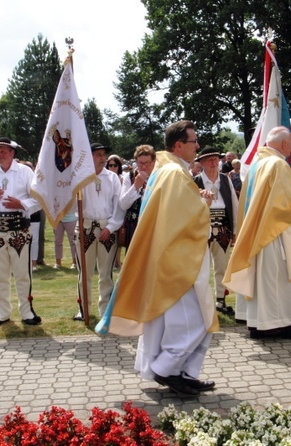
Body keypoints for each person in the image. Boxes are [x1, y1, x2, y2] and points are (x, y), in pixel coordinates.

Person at [98, 120, 219, 397]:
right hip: (177, 263)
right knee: (196, 320)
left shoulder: (166, 170)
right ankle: (167, 368)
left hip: (169, 257)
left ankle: (183, 373)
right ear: (179, 145)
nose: (197, 146)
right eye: (193, 141)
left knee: (176, 322)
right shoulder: (175, 173)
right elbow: (186, 218)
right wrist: (204, 204)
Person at [223, 127, 291, 340]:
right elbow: (286, 202)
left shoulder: (256, 165)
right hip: (274, 234)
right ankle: (284, 325)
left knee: (260, 280)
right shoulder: (278, 164)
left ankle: (257, 324)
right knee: (281, 280)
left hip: (255, 231)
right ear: (284, 144)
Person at [0, 137, 42, 327]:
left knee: (22, 273)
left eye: (4, 151)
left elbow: (38, 198)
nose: (0, 154)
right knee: (0, 274)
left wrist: (20, 203)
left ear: (12, 152)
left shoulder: (25, 171)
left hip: (19, 228)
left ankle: (26, 311)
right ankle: (2, 312)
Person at [73, 142, 124, 321]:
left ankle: (105, 310)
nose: (102, 158)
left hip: (106, 230)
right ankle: (83, 308)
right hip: (85, 228)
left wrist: (110, 227)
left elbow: (119, 206)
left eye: (104, 154)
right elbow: (72, 204)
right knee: (84, 273)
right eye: (98, 155)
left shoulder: (112, 178)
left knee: (105, 274)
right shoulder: (80, 178)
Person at [193, 146, 239, 316]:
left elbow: (234, 205)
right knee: (201, 268)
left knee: (222, 266)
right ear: (202, 163)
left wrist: (235, 230)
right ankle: (201, 302)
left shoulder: (225, 180)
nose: (213, 163)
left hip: (224, 229)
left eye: (215, 159)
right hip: (202, 229)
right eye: (209, 160)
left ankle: (221, 299)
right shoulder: (195, 181)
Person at [118, 144, 156, 250]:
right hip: (133, 227)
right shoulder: (129, 177)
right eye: (140, 163)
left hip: (153, 226)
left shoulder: (159, 177)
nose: (144, 167)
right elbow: (123, 204)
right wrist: (136, 186)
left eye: (147, 163)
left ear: (153, 162)